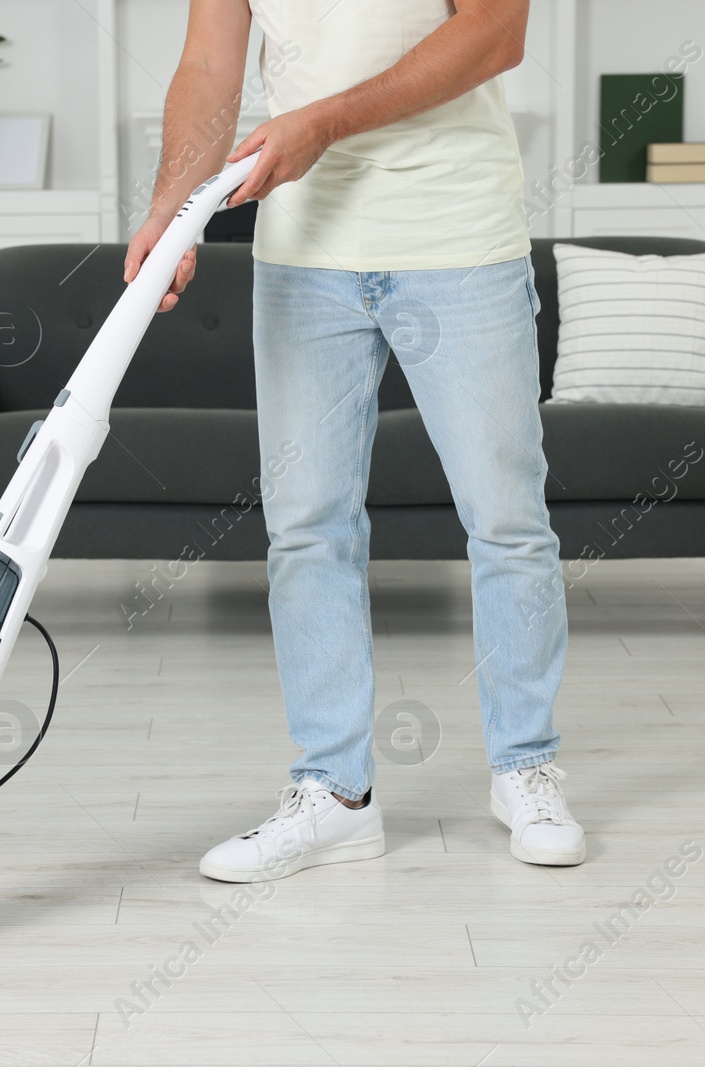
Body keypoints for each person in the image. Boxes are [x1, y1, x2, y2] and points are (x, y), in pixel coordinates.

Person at [123, 0, 583, 882]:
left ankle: (525, 765)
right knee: (306, 526)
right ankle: (334, 795)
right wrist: (173, 206)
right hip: (303, 252)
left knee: (506, 518)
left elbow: (497, 31)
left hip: (458, 242)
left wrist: (328, 120)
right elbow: (210, 65)